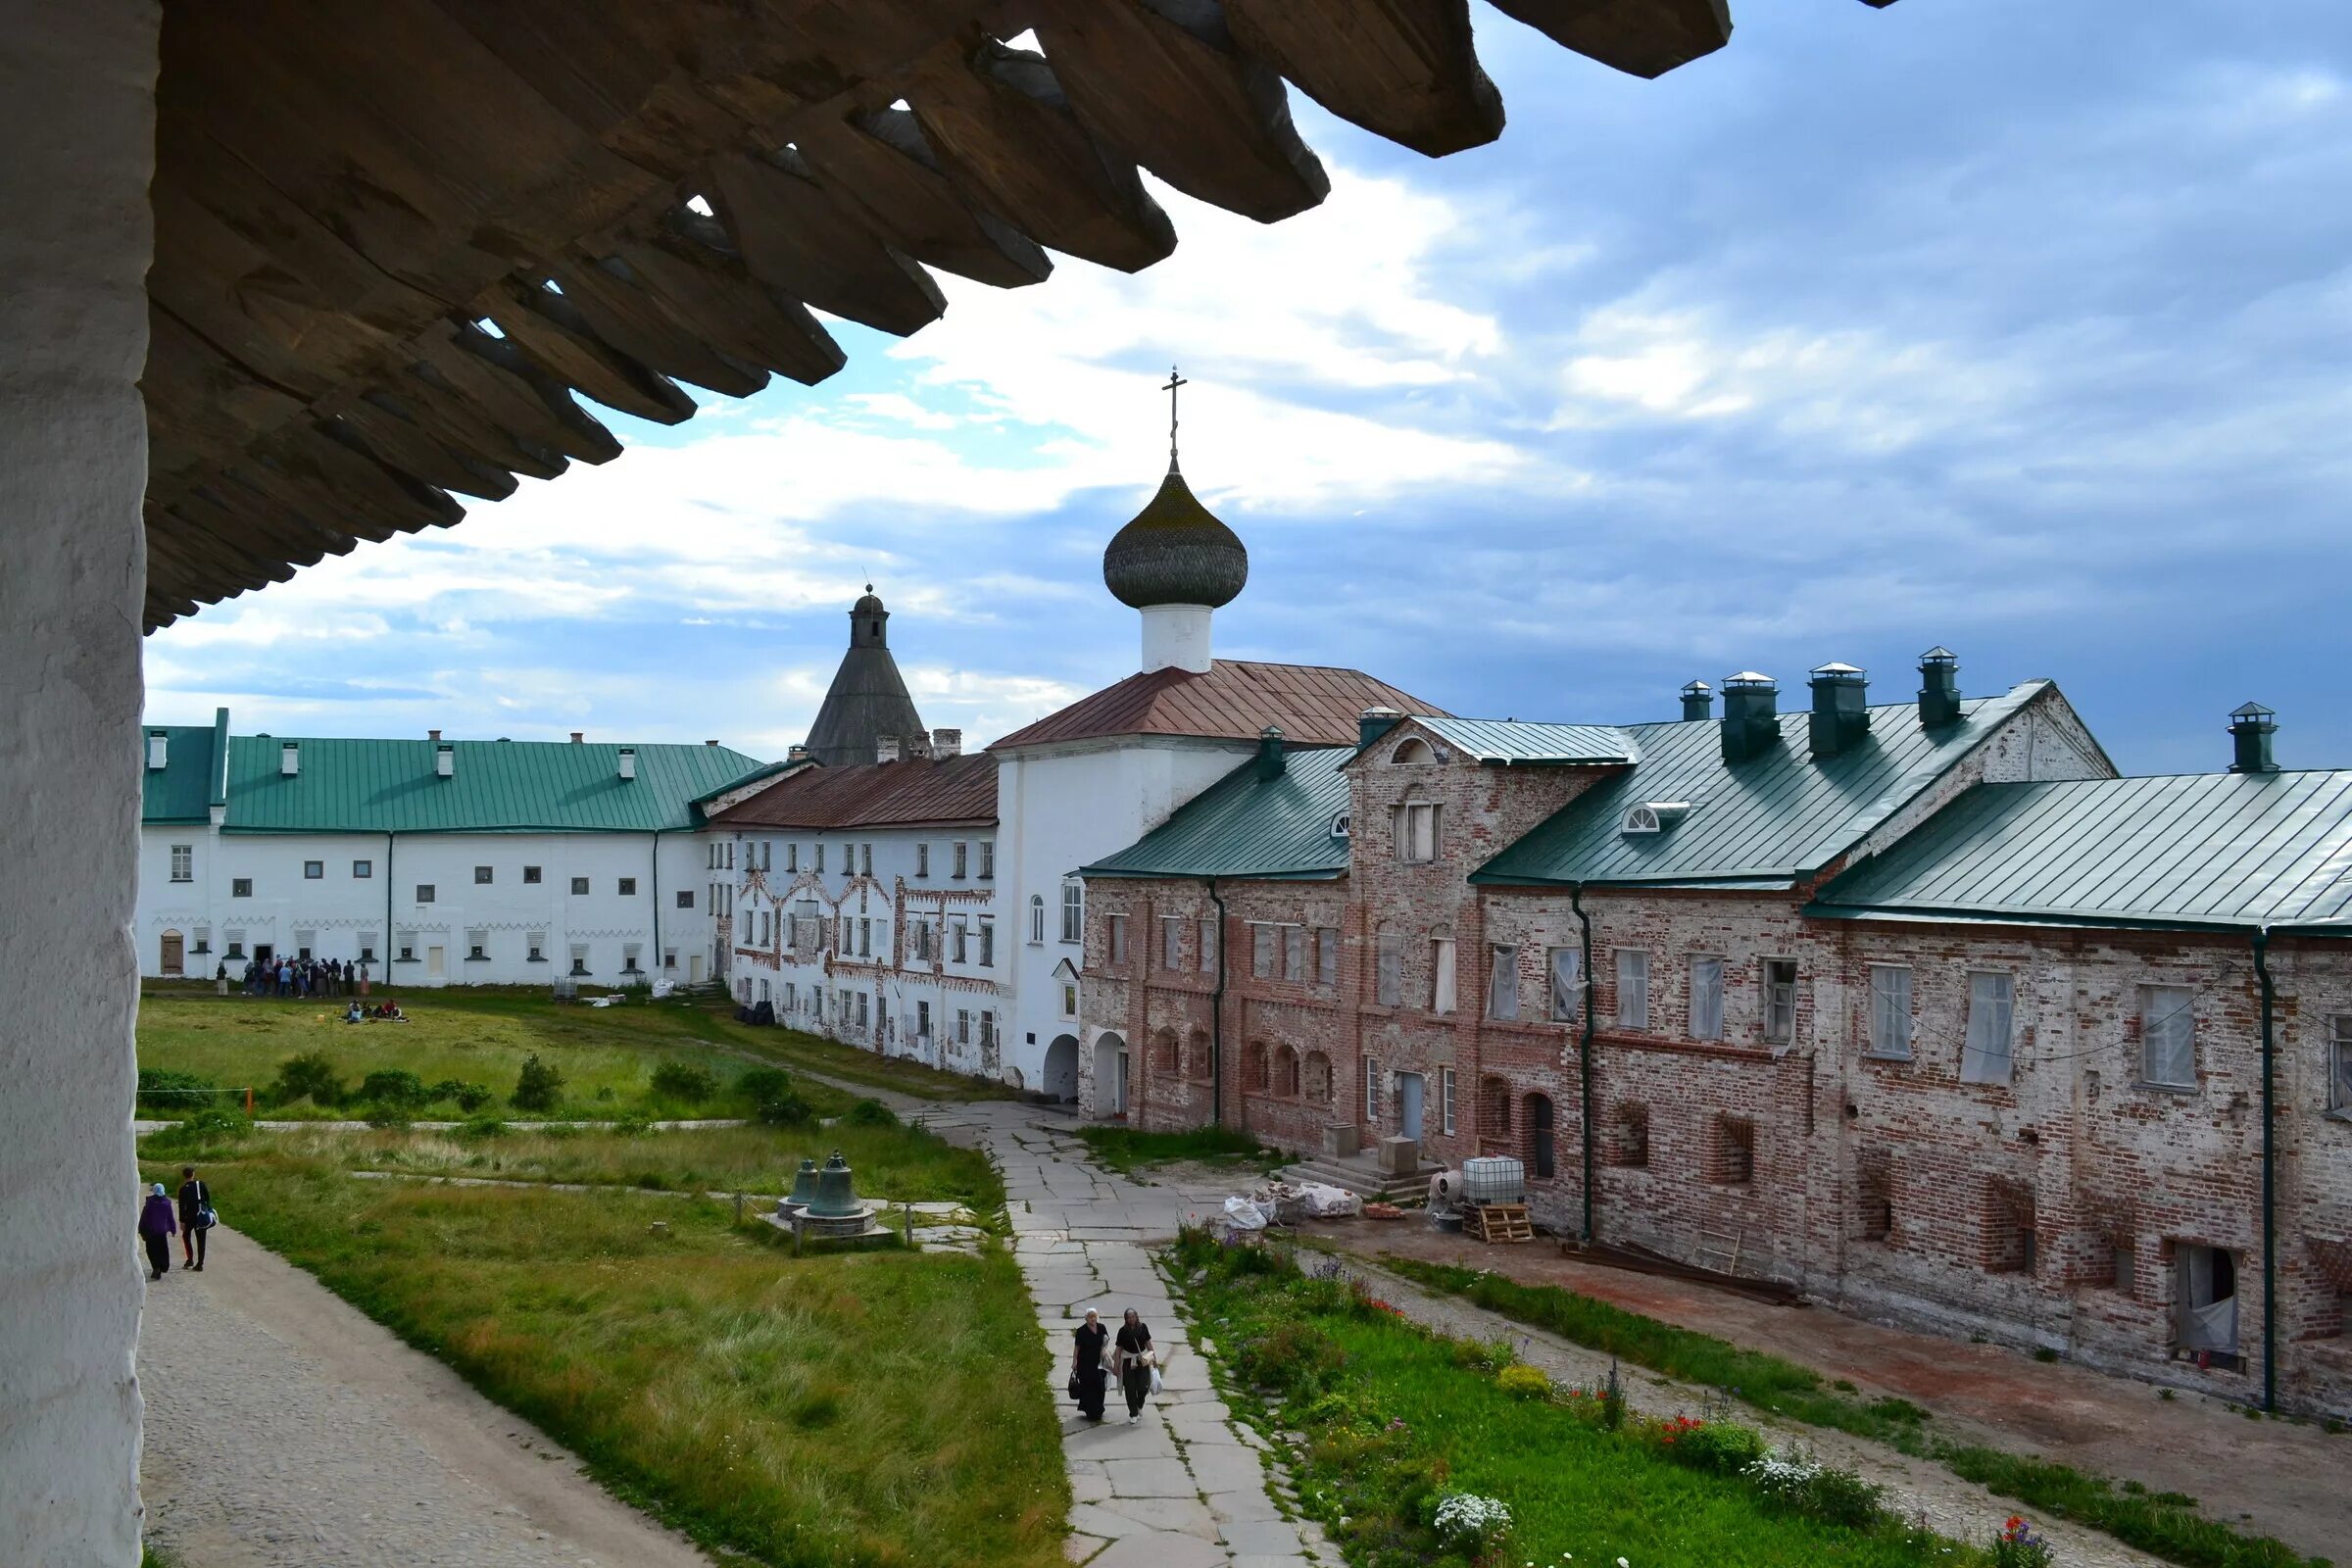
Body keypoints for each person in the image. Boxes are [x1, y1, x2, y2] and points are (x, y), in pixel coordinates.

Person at [1113, 1308, 1154, 1425]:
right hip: (1127, 1361)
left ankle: (1139, 1404)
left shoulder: (1143, 1328)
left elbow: (1148, 1343)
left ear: (1136, 1317)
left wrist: (1153, 1357)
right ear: (1125, 1319)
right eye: (1128, 1317)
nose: (1131, 1319)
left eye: (1133, 1317)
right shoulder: (1122, 1331)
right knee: (1130, 1388)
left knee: (1144, 1385)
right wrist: (1116, 1366)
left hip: (1142, 1360)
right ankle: (1133, 1413)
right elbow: (1118, 1350)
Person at [1071, 1309, 1109, 1422]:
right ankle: (1090, 1412)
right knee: (1088, 1387)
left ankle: (1099, 1409)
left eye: (1094, 1316)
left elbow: (1105, 1342)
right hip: (1085, 1364)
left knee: (1100, 1387)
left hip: (1099, 1363)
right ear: (1086, 1318)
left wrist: (1104, 1351)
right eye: (1090, 1317)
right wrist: (1075, 1362)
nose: (1092, 1319)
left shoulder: (1102, 1327)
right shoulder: (1081, 1331)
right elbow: (1077, 1348)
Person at [137, 1183, 176, 1281]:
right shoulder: (167, 1203)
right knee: (162, 1250)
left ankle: (156, 1268)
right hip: (162, 1231)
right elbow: (170, 1217)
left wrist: (141, 1229)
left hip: (151, 1231)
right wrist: (173, 1229)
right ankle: (163, 1266)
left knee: (151, 1250)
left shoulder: (150, 1203)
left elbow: (144, 1218)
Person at [176, 1165, 212, 1271]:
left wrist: (182, 1221)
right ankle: (200, 1264)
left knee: (186, 1236)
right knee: (201, 1240)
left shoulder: (183, 1189)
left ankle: (190, 1258)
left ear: (184, 1176)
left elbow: (181, 1206)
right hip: (201, 1215)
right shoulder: (200, 1184)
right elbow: (207, 1197)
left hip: (189, 1217)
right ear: (193, 1174)